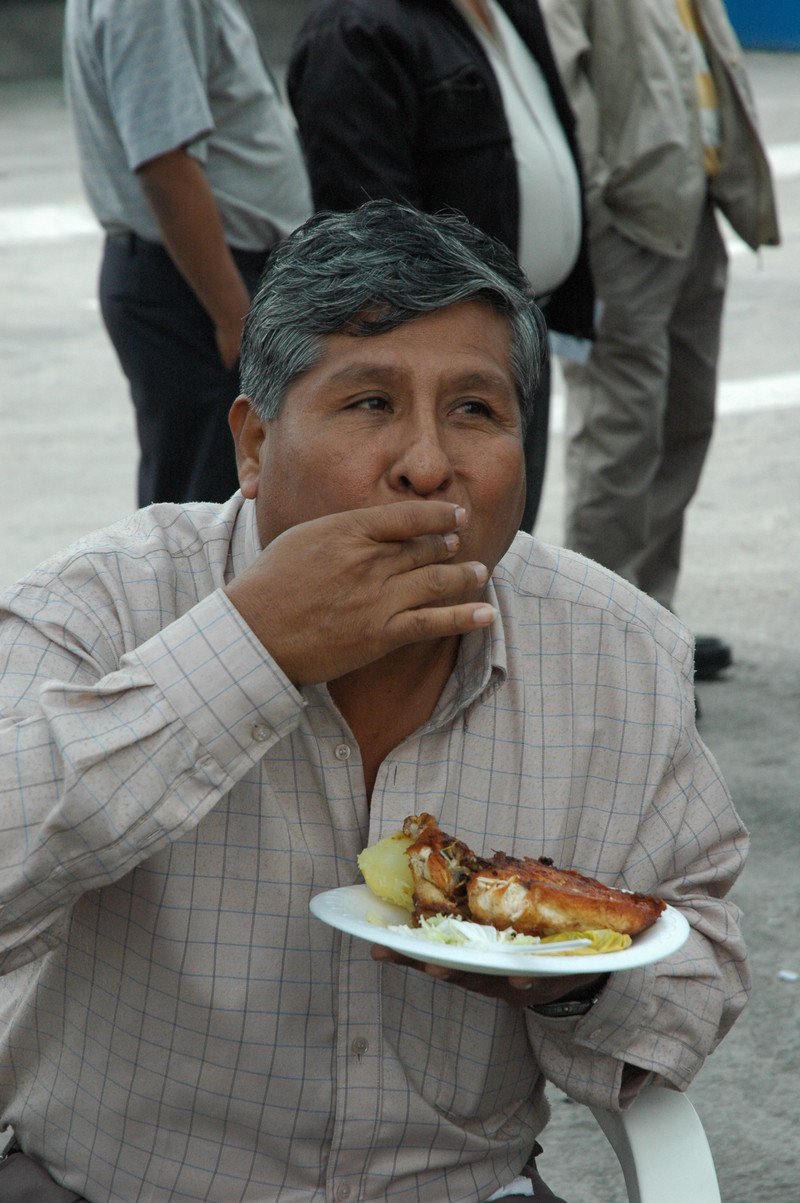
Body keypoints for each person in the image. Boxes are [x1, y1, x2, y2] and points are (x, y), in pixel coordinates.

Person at [0, 202, 749, 1203]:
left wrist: (576, 979)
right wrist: (250, 648)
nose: (428, 464)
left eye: (476, 410)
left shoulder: (614, 654)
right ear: (255, 445)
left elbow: (697, 962)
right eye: (368, 404)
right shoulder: (98, 608)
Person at [287, 0, 595, 532]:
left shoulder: (511, 12)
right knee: (428, 544)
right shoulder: (355, 28)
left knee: (500, 546)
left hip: (515, 333)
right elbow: (367, 233)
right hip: (428, 353)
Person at [539, 0, 780, 680]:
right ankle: (597, 650)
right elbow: (563, 77)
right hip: (623, 218)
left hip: (693, 204)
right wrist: (593, 207)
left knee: (683, 420)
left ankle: (646, 616)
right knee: (620, 433)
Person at [63, 0, 312, 508]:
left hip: (200, 276)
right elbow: (164, 163)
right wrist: (231, 314)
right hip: (200, 280)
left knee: (219, 499)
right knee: (207, 515)